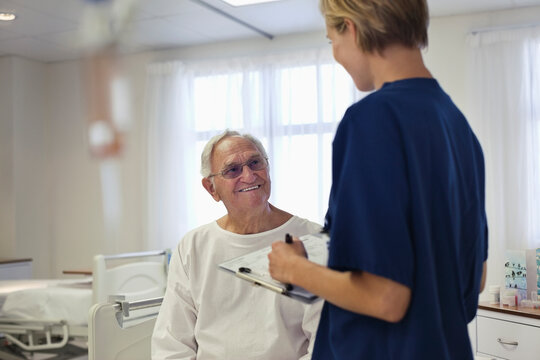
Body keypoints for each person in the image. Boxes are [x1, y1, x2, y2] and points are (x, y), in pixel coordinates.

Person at [268, 0, 488, 359]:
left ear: (351, 28)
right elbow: (474, 279)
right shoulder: (459, 128)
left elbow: (386, 298)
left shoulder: (371, 120)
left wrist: (295, 268)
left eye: (331, 40)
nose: (336, 54)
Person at [151, 130, 323, 359]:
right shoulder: (194, 246)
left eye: (255, 162)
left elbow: (323, 341)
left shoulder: (312, 238)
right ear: (211, 188)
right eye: (232, 169)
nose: (249, 176)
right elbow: (171, 341)